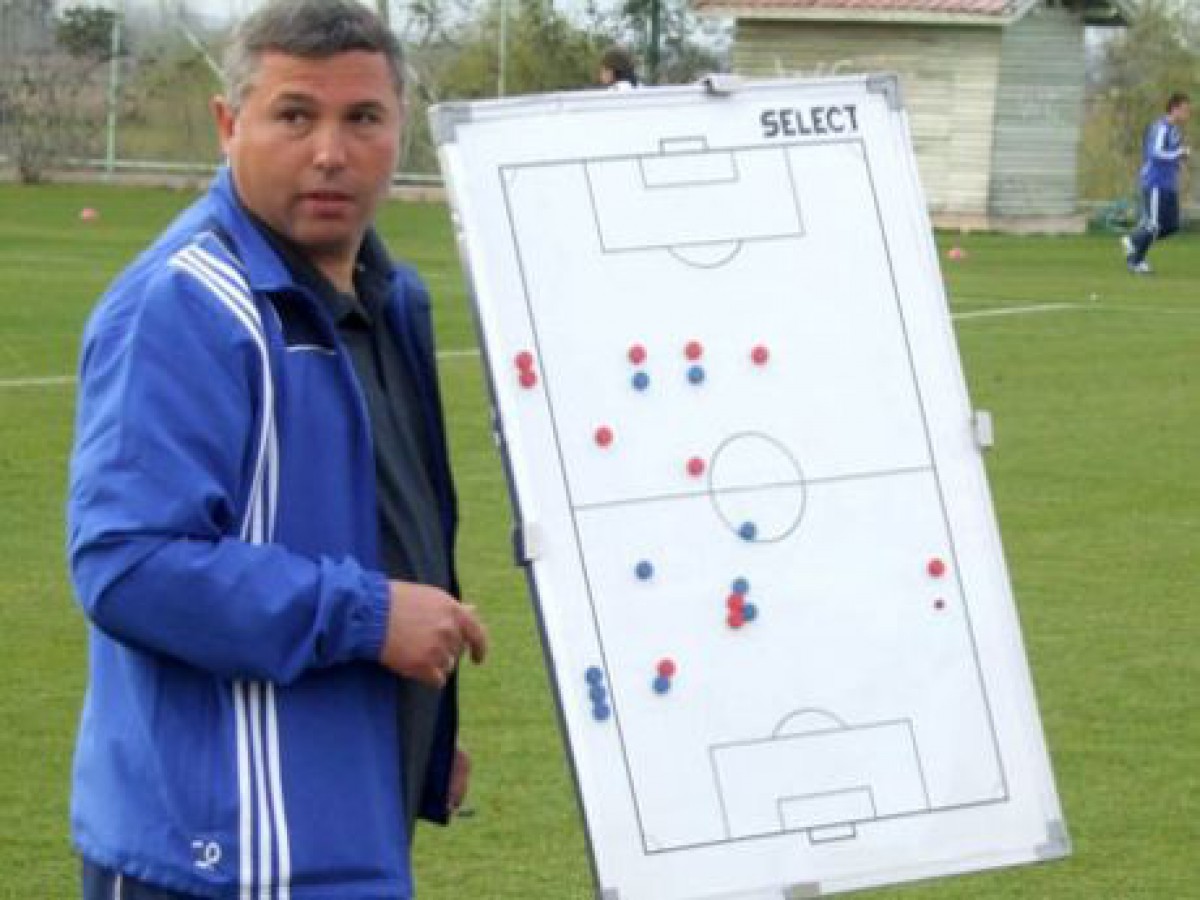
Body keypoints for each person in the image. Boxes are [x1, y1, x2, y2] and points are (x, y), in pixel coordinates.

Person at [66, 1, 488, 897]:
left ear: (401, 129)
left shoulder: (391, 299)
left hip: (339, 820)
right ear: (230, 124)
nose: (330, 152)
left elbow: (376, 528)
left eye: (363, 118)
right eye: (295, 115)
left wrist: (415, 735)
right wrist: (370, 617)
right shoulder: (185, 305)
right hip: (214, 856)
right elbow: (127, 564)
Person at [1123, 92, 1191, 274]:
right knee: (1154, 225)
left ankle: (1134, 240)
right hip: (1155, 182)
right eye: (1185, 110)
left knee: (1171, 226)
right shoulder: (1161, 127)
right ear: (1174, 108)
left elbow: (1170, 154)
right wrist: (1179, 153)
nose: (1187, 114)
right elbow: (1156, 153)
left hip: (1169, 184)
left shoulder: (1175, 130)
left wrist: (1179, 162)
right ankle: (1136, 261)